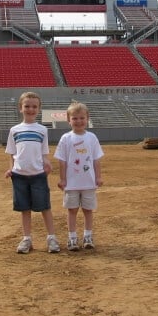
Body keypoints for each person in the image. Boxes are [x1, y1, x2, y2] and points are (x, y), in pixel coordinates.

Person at [5, 91, 60, 254]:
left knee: (45, 207)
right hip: (19, 176)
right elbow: (11, 153)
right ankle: (27, 238)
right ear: (20, 108)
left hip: (38, 175)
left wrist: (47, 162)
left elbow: (44, 153)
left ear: (39, 109)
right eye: (27, 106)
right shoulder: (14, 130)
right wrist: (11, 168)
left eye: (34, 106)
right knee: (24, 208)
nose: (31, 109)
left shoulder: (42, 130)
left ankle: (51, 237)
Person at [54, 101, 104, 251]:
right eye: (74, 118)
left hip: (88, 182)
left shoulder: (92, 137)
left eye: (82, 118)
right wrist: (62, 179)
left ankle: (88, 236)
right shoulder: (66, 138)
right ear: (68, 120)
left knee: (88, 210)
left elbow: (96, 160)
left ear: (87, 118)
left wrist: (98, 177)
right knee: (72, 210)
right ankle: (72, 237)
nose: (78, 121)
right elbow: (62, 161)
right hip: (71, 183)